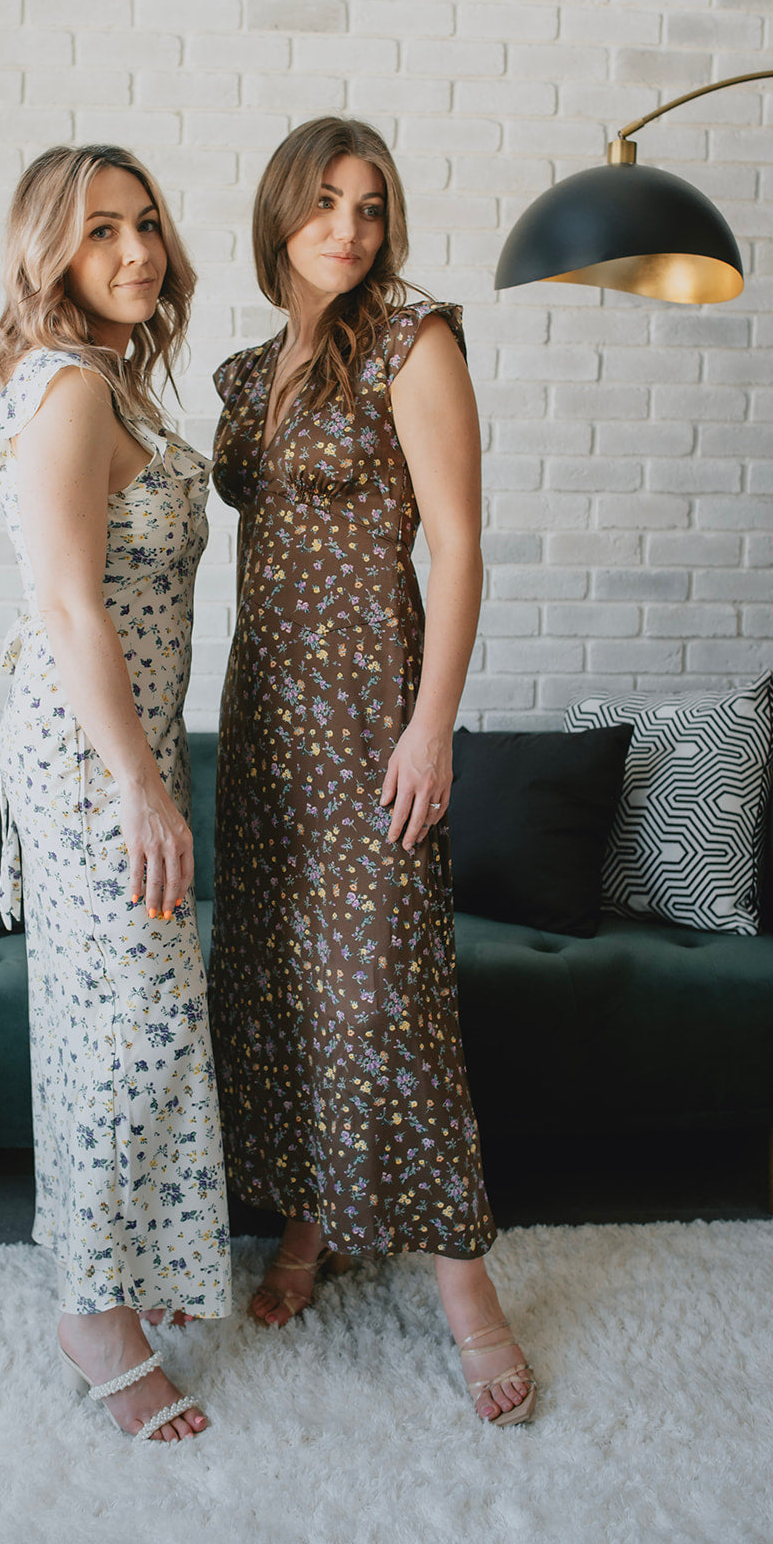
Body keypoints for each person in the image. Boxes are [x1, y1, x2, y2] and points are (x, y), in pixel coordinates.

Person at [208, 117, 535, 1425]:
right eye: (326, 203)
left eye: (372, 206)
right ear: (280, 214)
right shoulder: (250, 374)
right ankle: (310, 1223)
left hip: (372, 722)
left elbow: (460, 546)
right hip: (265, 725)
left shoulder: (415, 339)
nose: (348, 228)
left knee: (388, 1002)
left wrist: (431, 724)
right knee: (286, 984)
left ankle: (469, 1296)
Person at [0, 144, 231, 1444]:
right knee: (140, 1024)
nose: (135, 251)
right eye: (99, 232)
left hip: (123, 746)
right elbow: (72, 607)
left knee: (106, 1027)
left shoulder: (109, 382)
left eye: (145, 225)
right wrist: (138, 785)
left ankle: (117, 1267)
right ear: (53, 255)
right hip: (92, 760)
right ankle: (92, 1316)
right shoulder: (72, 389)